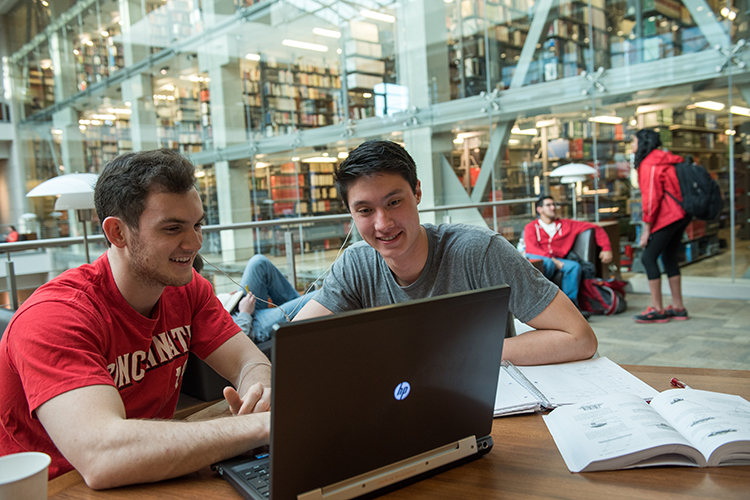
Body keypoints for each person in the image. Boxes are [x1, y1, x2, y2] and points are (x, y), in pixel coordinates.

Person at [0, 149, 271, 489]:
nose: (194, 243)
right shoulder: (54, 316)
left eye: (197, 224)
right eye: (173, 228)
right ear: (117, 233)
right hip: (64, 488)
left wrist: (262, 394)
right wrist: (260, 426)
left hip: (152, 472)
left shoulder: (187, 289)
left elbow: (249, 363)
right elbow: (102, 456)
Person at [293, 140, 598, 366]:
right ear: (350, 212)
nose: (382, 223)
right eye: (364, 210)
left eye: (394, 203)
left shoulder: (479, 251)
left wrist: (452, 354)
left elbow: (579, 338)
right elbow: (295, 345)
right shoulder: (356, 264)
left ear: (417, 193)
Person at [632, 128, 691, 323]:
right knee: (669, 257)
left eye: (633, 141)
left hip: (666, 216)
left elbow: (651, 199)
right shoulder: (668, 158)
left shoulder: (649, 163)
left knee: (648, 258)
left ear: (642, 143)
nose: (631, 146)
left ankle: (657, 309)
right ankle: (678, 307)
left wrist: (646, 230)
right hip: (681, 214)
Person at [196, 254, 317, 343]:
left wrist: (226, 300)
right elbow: (237, 341)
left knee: (259, 262)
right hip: (249, 326)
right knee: (318, 296)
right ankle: (302, 307)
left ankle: (298, 305)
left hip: (236, 312)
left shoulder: (192, 292)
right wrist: (245, 313)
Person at [524, 196, 613, 307]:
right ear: (539, 209)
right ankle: (542, 299)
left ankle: (570, 306)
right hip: (538, 256)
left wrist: (606, 248)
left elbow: (596, 228)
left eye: (554, 205)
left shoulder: (566, 225)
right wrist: (552, 259)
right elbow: (532, 248)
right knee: (549, 263)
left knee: (574, 266)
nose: (553, 208)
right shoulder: (531, 227)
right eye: (548, 205)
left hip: (559, 259)